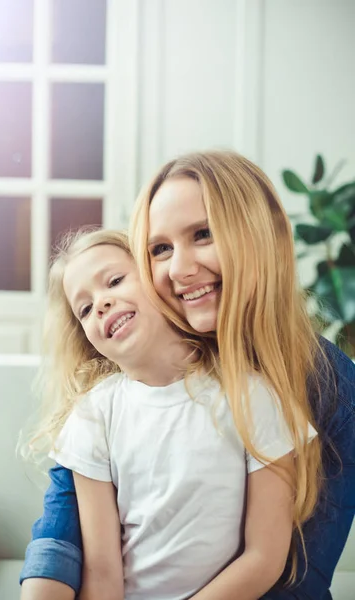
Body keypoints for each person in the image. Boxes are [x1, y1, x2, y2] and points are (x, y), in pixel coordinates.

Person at [20, 151, 355, 599]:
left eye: (203, 234)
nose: (179, 269)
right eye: (160, 249)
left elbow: (294, 577)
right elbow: (64, 530)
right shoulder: (106, 404)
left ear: (266, 234)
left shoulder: (329, 390)